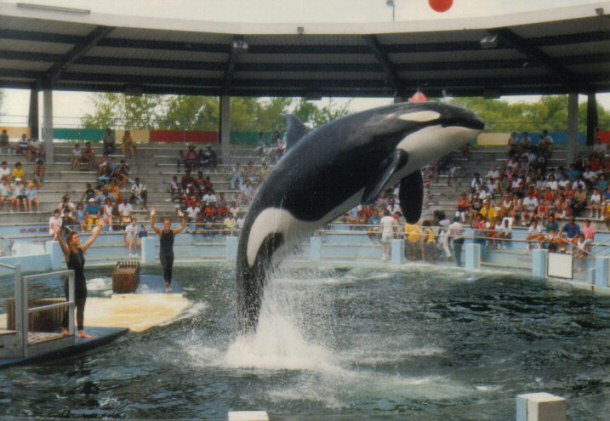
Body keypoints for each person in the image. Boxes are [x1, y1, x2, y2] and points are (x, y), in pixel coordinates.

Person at [55, 219, 105, 339]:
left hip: (81, 282)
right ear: (71, 241)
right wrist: (57, 234)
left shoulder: (81, 250)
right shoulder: (68, 252)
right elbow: (62, 244)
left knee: (81, 307)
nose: (78, 239)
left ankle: (81, 331)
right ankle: (63, 328)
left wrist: (99, 228)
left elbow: (92, 239)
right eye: (75, 238)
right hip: (71, 283)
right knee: (72, 306)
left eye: (78, 237)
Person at [150, 208, 185, 291]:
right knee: (165, 266)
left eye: (168, 224)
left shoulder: (173, 232)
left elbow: (182, 226)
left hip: (170, 254)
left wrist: (182, 217)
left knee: (170, 269)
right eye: (165, 224)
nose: (167, 225)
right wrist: (152, 216)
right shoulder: (160, 232)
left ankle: (168, 284)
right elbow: (152, 226)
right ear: (163, 224)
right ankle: (166, 282)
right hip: (163, 253)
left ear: (170, 224)